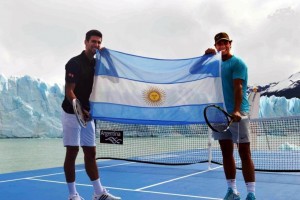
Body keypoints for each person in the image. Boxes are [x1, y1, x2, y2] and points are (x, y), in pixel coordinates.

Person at [61, 30, 121, 200]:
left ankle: (98, 193)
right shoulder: (74, 63)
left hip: (89, 115)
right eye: (93, 41)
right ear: (85, 42)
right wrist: (79, 109)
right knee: (72, 152)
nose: (96, 45)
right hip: (71, 113)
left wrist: (107, 58)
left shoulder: (98, 64)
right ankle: (73, 195)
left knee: (91, 153)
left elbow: (115, 78)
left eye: (99, 42)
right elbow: (69, 91)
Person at [204, 32, 256, 200]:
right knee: (226, 152)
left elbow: (238, 87)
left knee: (244, 153)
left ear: (230, 44)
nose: (222, 46)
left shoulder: (238, 63)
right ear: (215, 46)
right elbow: (192, 70)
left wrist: (236, 110)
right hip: (219, 114)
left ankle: (251, 194)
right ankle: (232, 191)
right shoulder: (214, 65)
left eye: (225, 43)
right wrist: (204, 58)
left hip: (237, 113)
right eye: (219, 44)